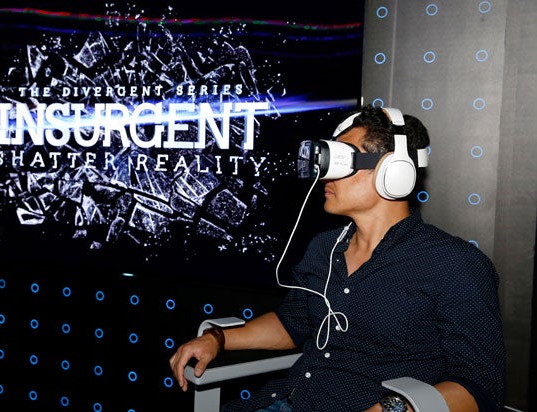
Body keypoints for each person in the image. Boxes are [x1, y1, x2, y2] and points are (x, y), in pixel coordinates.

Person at [169, 105, 506, 411]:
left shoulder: (454, 264)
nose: (325, 175)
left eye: (341, 161)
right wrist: (217, 338)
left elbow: (479, 385)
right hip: (285, 401)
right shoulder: (324, 247)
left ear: (393, 171)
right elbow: (292, 323)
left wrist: (393, 408)